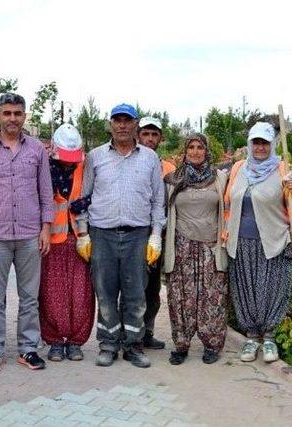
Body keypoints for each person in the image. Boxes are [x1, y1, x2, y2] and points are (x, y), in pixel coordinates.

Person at [0, 93, 54, 373]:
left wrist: (46, 228)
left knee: (30, 296)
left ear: (25, 116)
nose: (12, 118)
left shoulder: (37, 150)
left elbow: (45, 192)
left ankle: (28, 349)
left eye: (17, 113)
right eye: (7, 113)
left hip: (30, 234)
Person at [76, 104, 166, 368]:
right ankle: (108, 344)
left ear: (136, 124)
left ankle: (133, 345)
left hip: (138, 235)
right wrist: (83, 233)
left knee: (135, 294)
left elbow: (157, 201)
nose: (122, 125)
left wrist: (156, 236)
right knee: (105, 292)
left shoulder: (150, 158)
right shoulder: (95, 157)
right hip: (102, 234)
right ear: (110, 124)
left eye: (128, 120)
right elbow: (84, 197)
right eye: (118, 120)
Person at [224, 122, 292, 363]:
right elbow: (227, 199)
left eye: (265, 143)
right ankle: (251, 338)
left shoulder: (283, 170)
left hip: (272, 242)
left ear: (272, 145)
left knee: (270, 291)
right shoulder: (239, 168)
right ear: (250, 144)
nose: (260, 147)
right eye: (256, 142)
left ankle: (268, 339)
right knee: (245, 291)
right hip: (240, 243)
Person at [163, 133, 229, 365]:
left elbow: (230, 206)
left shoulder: (220, 178)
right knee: (181, 298)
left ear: (206, 150)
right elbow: (161, 212)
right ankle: (181, 344)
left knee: (212, 297)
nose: (195, 151)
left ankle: (211, 344)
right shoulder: (173, 179)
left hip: (210, 248)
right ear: (185, 151)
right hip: (182, 247)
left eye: (199, 147)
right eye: (190, 147)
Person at [39, 124, 94, 362]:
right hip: (52, 241)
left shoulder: (86, 166)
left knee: (81, 294)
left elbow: (97, 192)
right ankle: (54, 341)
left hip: (81, 239)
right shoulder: (43, 169)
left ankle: (75, 341)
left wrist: (86, 202)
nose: (69, 163)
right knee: (51, 294)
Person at [136, 116, 176, 350]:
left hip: (158, 235)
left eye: (154, 134)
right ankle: (130, 332)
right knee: (132, 287)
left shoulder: (169, 169)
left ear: (160, 138)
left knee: (152, 288)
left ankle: (147, 331)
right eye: (145, 134)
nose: (150, 139)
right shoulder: (129, 161)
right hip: (133, 234)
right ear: (137, 135)